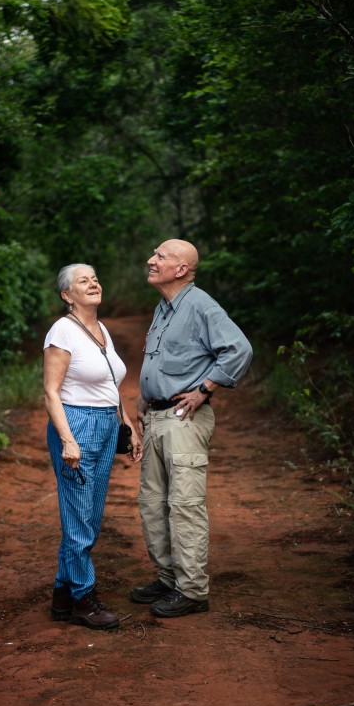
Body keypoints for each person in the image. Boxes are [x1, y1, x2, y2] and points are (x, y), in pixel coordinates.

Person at [131, 239, 253, 618]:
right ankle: (169, 579)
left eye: (161, 256)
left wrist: (204, 389)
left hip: (183, 420)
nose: (151, 260)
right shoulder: (164, 308)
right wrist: (143, 397)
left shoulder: (201, 305)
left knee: (184, 506)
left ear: (181, 269)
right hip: (157, 416)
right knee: (153, 504)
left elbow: (239, 349)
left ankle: (193, 590)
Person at [44, 263, 142, 630]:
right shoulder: (62, 331)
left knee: (87, 516)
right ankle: (84, 598)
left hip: (104, 423)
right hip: (77, 424)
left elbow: (110, 387)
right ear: (67, 296)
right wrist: (68, 439)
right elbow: (51, 391)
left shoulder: (100, 330)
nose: (93, 283)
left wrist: (127, 426)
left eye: (96, 278)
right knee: (80, 519)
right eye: (83, 280)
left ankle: (62, 594)